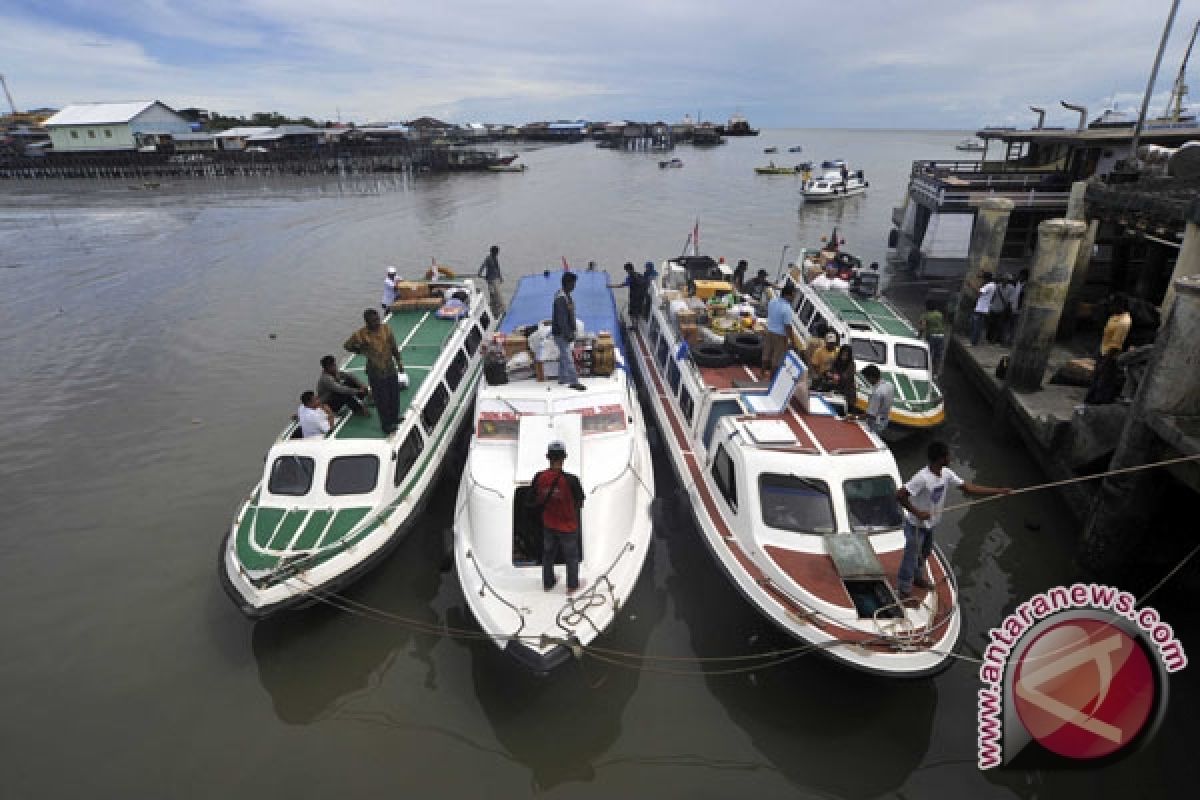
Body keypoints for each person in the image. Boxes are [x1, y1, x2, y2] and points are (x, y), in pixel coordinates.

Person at [895, 441, 1012, 599]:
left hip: (930, 525)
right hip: (916, 526)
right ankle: (904, 590)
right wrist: (917, 512)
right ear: (941, 459)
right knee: (910, 557)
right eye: (948, 455)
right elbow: (900, 495)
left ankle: (916, 578)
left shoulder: (946, 474)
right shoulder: (922, 478)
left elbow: (968, 488)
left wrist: (998, 491)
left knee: (924, 553)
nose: (951, 457)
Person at [531, 440, 586, 593]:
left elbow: (535, 498)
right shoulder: (572, 480)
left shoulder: (539, 477)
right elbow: (580, 502)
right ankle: (572, 586)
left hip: (548, 523)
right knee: (571, 557)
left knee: (548, 554)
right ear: (564, 457)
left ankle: (548, 583)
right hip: (568, 526)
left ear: (547, 457)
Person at [344, 308, 406, 435]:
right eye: (373, 321)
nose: (377, 322)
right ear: (367, 322)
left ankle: (394, 417)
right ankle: (386, 424)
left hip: (390, 368)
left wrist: (399, 362)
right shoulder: (360, 335)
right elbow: (347, 345)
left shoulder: (386, 329)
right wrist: (360, 350)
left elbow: (394, 346)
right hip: (375, 371)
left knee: (394, 396)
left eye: (377, 319)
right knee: (381, 399)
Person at [1086, 294, 1132, 405]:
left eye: (1112, 304)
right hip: (1103, 351)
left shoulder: (1123, 322)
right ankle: (1089, 402)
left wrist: (1105, 362)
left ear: (1119, 305)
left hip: (1110, 356)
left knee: (1103, 383)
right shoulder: (1114, 316)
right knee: (1096, 380)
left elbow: (1115, 346)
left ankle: (1097, 404)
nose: (1109, 306)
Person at [552, 272, 586, 390]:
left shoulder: (566, 296)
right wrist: (568, 334)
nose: (574, 286)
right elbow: (562, 320)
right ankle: (574, 381)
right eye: (573, 283)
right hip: (561, 334)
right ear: (568, 284)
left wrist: (573, 331)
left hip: (563, 333)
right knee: (568, 357)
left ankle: (562, 378)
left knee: (563, 356)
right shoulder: (561, 299)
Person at [762, 285, 795, 380]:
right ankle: (772, 378)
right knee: (776, 358)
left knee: (766, 353)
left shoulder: (772, 301)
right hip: (780, 335)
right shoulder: (787, 308)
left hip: (769, 331)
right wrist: (791, 340)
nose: (793, 297)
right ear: (787, 295)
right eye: (792, 295)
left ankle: (762, 373)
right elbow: (787, 326)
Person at [918, 299, 946, 376]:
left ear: (926, 307)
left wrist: (919, 336)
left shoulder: (925, 315)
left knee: (928, 354)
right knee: (938, 355)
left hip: (931, 336)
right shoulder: (940, 314)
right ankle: (935, 373)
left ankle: (926, 369)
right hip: (941, 336)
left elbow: (922, 327)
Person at [862, 364, 893, 434]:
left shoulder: (877, 393)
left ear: (871, 377)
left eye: (866, 378)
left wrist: (855, 417)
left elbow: (870, 414)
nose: (867, 381)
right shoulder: (889, 385)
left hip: (875, 423)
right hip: (885, 420)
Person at [828, 344, 857, 414]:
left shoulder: (851, 364)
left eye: (846, 354)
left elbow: (846, 376)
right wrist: (830, 375)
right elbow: (830, 371)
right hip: (837, 390)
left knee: (847, 412)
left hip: (848, 393)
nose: (844, 356)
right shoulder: (836, 362)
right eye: (843, 353)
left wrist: (836, 377)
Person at [971, 272, 997, 346]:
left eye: (983, 278)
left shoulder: (988, 285)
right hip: (985, 308)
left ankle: (973, 342)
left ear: (986, 279)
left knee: (976, 326)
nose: (983, 280)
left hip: (980, 308)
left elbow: (979, 292)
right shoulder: (994, 285)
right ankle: (976, 341)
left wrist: (971, 285)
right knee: (980, 326)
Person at [478, 245, 504, 317]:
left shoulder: (495, 258)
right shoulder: (488, 258)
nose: (497, 254)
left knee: (497, 294)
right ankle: (495, 310)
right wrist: (479, 273)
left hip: (495, 279)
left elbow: (497, 268)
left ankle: (500, 310)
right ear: (493, 252)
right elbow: (483, 266)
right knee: (493, 294)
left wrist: (500, 276)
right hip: (490, 279)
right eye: (496, 252)